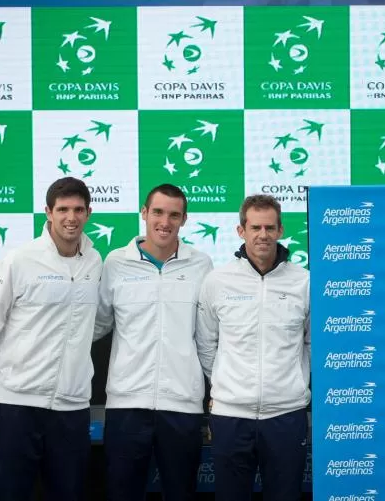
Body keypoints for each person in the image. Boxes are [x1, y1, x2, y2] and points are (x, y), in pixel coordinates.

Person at [0, 177, 103, 501]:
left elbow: (92, 324)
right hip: (18, 405)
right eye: (63, 209)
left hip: (72, 408)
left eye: (78, 210)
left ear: (89, 213)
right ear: (48, 212)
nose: (71, 217)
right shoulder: (20, 259)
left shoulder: (95, 263)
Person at [94, 184, 213, 501]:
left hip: (182, 406)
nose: (165, 222)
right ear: (144, 214)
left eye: (174, 215)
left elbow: (207, 336)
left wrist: (219, 389)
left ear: (184, 220)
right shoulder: (115, 263)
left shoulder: (201, 265)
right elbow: (97, 325)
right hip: (126, 406)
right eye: (158, 212)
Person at [196, 194, 310, 501]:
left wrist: (293, 384)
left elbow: (311, 343)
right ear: (241, 231)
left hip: (286, 415)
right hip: (231, 416)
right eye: (256, 227)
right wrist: (225, 384)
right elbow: (207, 343)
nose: (263, 235)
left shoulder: (304, 282)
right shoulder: (216, 281)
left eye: (270, 227)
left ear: (281, 230)